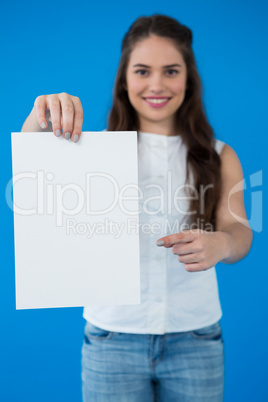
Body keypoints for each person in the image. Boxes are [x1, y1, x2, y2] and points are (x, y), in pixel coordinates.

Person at [21, 14, 253, 402]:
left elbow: (240, 231)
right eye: (143, 70)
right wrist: (41, 116)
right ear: (124, 79)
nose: (157, 84)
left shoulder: (221, 155)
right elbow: (35, 181)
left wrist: (222, 245)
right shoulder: (89, 151)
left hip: (196, 337)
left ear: (188, 79)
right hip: (112, 339)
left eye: (172, 71)